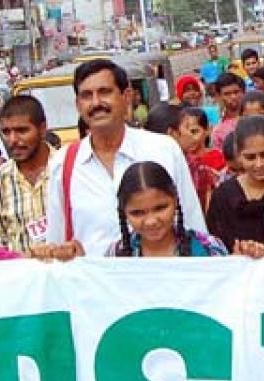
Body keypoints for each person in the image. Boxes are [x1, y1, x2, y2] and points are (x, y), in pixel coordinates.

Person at [39, 59, 206, 258]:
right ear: (78, 105)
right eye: (86, 95)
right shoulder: (64, 163)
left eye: (104, 92)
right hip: (94, 286)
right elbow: (56, 245)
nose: (96, 103)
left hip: (163, 282)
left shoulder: (163, 150)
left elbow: (194, 227)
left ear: (126, 97)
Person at [207, 116, 264, 249]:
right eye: (250, 157)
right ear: (239, 155)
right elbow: (215, 248)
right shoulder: (223, 196)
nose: (259, 164)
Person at [0, 95, 53, 254]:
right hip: (22, 274)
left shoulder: (68, 168)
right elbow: (2, 240)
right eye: (6, 132)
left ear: (42, 129)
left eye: (22, 130)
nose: (13, 140)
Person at [211, 73, 246, 150]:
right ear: (219, 96)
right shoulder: (218, 130)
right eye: (227, 94)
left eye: (236, 92)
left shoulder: (255, 116)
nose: (233, 97)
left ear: (243, 92)